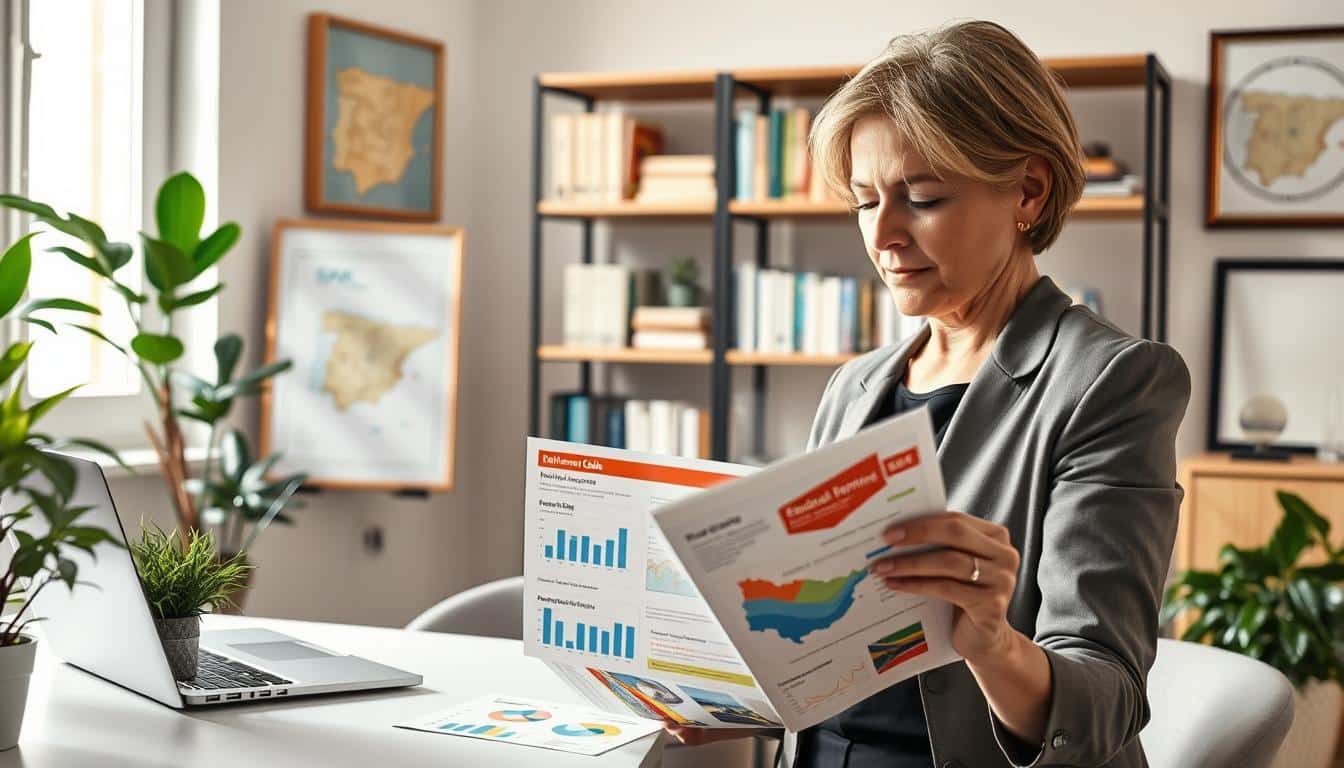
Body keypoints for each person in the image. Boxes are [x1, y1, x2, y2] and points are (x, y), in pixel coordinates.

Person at [669, 19, 1190, 768]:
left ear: (1029, 192)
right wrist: (727, 697)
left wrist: (992, 642)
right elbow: (827, 652)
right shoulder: (856, 386)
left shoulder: (1112, 383)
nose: (882, 235)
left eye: (922, 197)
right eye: (863, 200)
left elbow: (1102, 701)